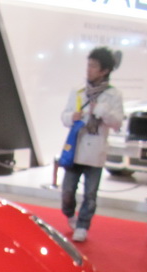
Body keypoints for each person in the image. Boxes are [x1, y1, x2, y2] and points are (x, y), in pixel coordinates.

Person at [60, 47, 124, 242]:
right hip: (76, 148)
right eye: (88, 65)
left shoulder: (113, 95)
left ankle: (83, 225)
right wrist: (72, 117)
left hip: (95, 151)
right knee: (67, 191)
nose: (89, 69)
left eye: (94, 66)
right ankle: (69, 214)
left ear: (105, 71)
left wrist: (101, 110)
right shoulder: (78, 90)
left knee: (90, 193)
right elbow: (64, 116)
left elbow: (117, 123)